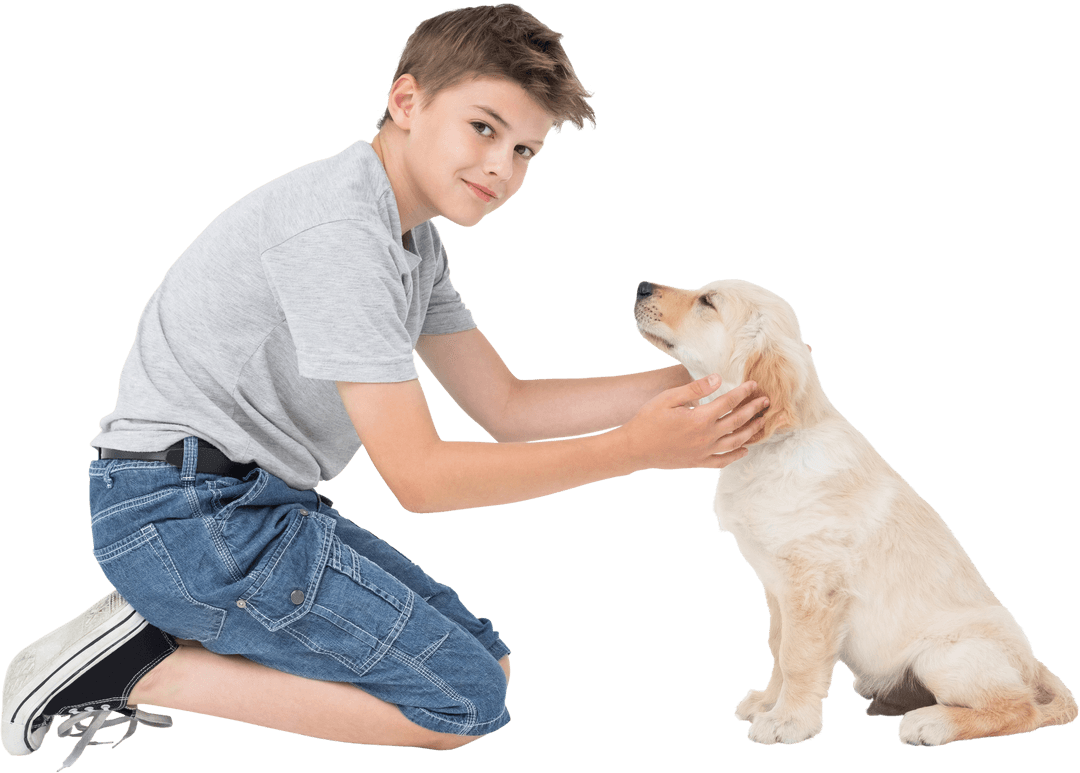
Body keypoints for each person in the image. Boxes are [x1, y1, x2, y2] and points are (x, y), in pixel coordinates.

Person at [1, 4, 769, 769]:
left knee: (487, 670)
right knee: (462, 702)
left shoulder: (411, 239)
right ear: (407, 102)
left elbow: (506, 405)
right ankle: (137, 665)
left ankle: (158, 628)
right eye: (484, 128)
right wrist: (635, 449)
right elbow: (421, 478)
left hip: (249, 506)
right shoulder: (341, 235)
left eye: (527, 149)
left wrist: (701, 377)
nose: (502, 166)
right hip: (187, 516)